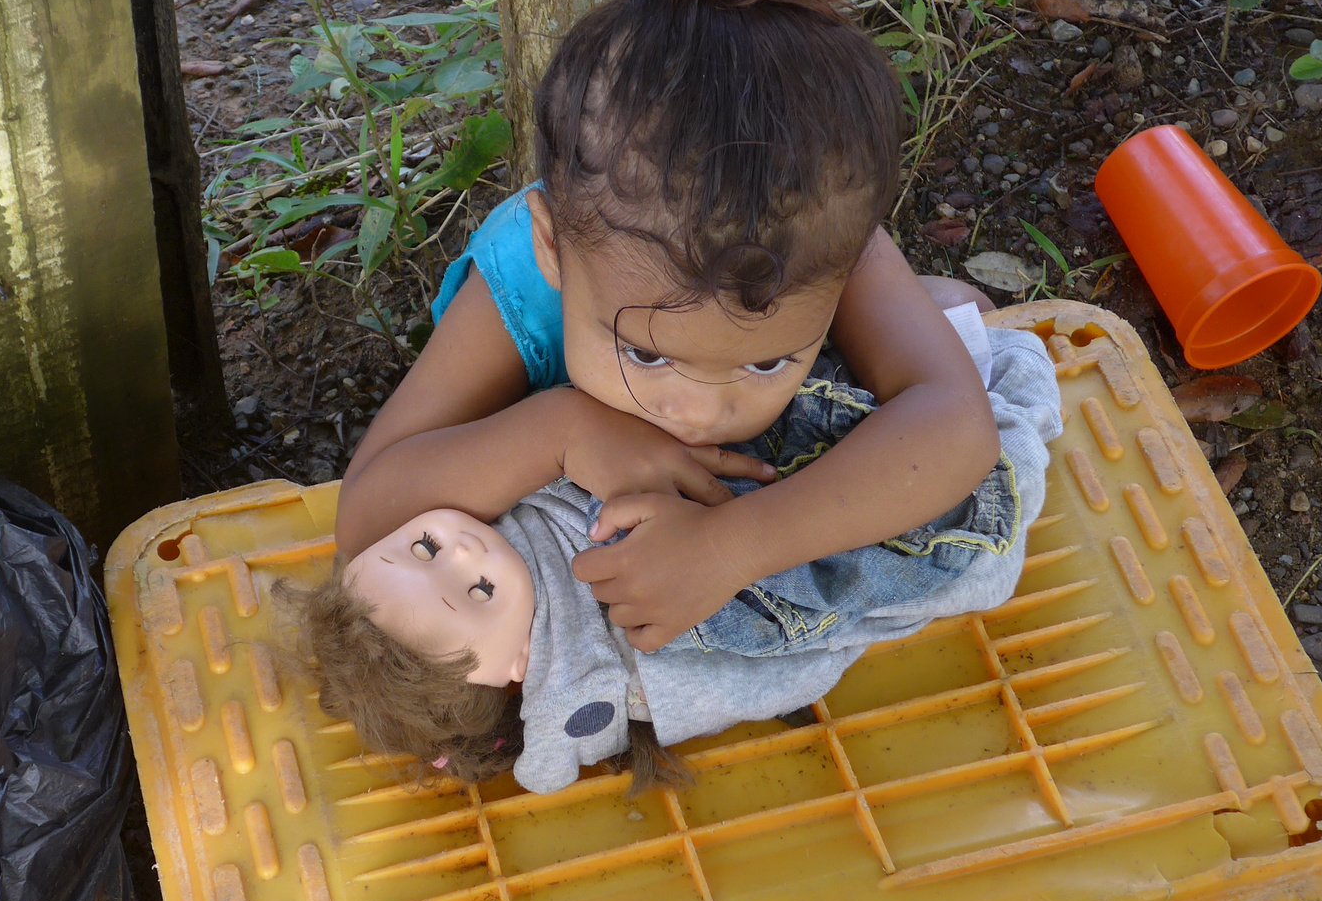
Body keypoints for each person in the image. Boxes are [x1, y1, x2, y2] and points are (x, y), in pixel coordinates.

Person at [334, 0, 1004, 665]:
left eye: (763, 361)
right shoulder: (526, 278)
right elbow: (364, 517)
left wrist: (734, 546)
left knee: (963, 323)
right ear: (555, 249)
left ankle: (917, 314)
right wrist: (561, 430)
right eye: (648, 355)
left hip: (749, 491)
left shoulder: (810, 224)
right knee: (947, 321)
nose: (702, 412)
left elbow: (958, 429)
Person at [282, 325, 1061, 796]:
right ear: (521, 660)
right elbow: (800, 642)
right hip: (862, 509)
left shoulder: (460, 517)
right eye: (477, 589)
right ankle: (998, 391)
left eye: (420, 548)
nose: (458, 549)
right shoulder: (625, 654)